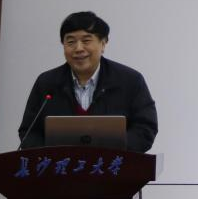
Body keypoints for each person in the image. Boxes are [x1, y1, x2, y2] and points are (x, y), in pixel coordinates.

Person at [18, 11, 158, 151]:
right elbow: (29, 132)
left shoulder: (130, 81)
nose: (78, 48)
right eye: (71, 42)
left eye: (86, 41)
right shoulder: (46, 83)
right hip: (60, 163)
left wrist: (115, 149)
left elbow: (146, 128)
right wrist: (54, 154)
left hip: (113, 162)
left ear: (103, 43)